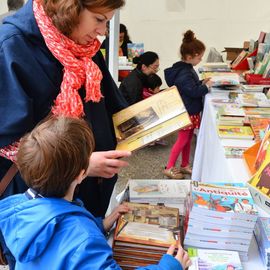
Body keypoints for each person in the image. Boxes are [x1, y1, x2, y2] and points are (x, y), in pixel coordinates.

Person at [0, 116, 191, 270]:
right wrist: (169, 266)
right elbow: (75, 242)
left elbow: (57, 243)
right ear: (83, 173)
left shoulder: (19, 208)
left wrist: (101, 224)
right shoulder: (83, 238)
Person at [0, 0, 131, 220]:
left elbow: (110, 104)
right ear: (69, 8)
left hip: (87, 193)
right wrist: (80, 164)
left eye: (106, 22)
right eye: (99, 20)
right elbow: (11, 143)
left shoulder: (81, 44)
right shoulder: (11, 46)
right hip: (41, 207)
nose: (102, 32)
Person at [163, 30, 213, 179]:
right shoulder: (184, 73)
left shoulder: (186, 69)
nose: (200, 60)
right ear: (190, 57)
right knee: (183, 140)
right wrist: (205, 87)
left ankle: (184, 165)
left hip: (190, 110)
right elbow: (192, 92)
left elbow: (190, 87)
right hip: (187, 111)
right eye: (199, 57)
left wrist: (200, 83)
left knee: (188, 139)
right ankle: (169, 167)